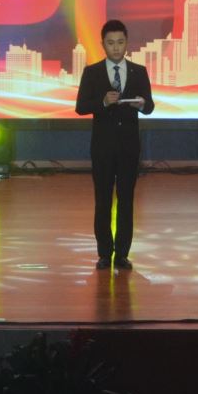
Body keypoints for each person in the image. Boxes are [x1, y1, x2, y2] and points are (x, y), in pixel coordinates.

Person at [76, 19, 155, 270]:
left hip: (129, 147)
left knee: (126, 200)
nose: (116, 47)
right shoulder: (92, 72)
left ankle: (122, 254)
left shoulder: (138, 71)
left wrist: (142, 104)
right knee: (102, 200)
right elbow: (81, 107)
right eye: (111, 43)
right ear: (103, 44)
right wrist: (103, 102)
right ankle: (104, 253)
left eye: (120, 42)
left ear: (127, 43)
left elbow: (150, 107)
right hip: (102, 147)